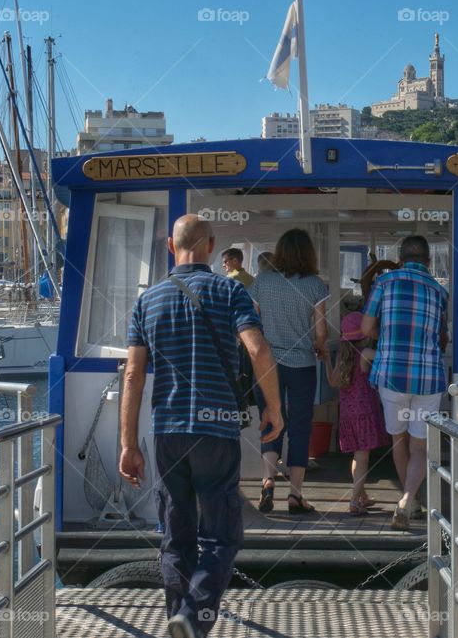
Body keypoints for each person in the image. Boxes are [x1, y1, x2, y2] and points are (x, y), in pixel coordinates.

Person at [119, 214, 284, 638]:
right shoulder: (230, 291)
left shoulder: (147, 300)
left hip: (168, 431)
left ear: (170, 247)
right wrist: (274, 408)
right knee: (221, 537)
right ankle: (192, 619)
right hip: (217, 430)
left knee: (176, 536)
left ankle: (182, 621)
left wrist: (127, 444)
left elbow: (133, 375)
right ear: (211, 246)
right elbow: (258, 350)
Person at [361, 235, 448, 531]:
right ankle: (407, 500)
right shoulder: (439, 291)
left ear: (400, 258)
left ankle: (409, 502)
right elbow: (441, 336)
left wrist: (388, 335)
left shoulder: (384, 282)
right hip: (428, 378)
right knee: (420, 446)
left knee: (398, 440)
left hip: (392, 375)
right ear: (428, 261)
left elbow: (366, 328)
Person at [247, 228, 329, 514]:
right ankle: (295, 494)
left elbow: (252, 323)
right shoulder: (315, 285)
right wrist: (319, 346)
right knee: (300, 427)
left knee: (271, 419)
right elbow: (321, 331)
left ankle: (268, 481)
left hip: (267, 364)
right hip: (302, 364)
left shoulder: (262, 281)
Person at [324, 311, 388, 514]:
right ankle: (353, 502)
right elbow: (387, 359)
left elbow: (332, 382)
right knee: (363, 458)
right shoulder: (366, 353)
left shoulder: (342, 357)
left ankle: (363, 496)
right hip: (365, 413)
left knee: (357, 456)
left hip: (347, 415)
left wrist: (326, 360)